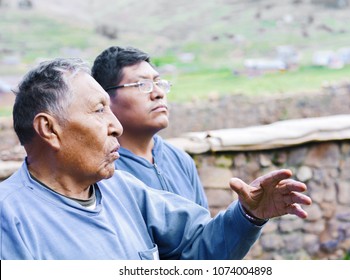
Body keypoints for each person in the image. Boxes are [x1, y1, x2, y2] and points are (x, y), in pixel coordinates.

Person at [0, 58, 312, 260]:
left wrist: (247, 216)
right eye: (98, 110)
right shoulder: (10, 218)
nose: (116, 126)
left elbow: (196, 247)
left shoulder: (124, 190)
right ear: (49, 129)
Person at [91, 46, 208, 208]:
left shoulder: (180, 160)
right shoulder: (102, 171)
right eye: (142, 85)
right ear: (106, 99)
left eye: (158, 83)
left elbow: (206, 231)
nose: (159, 93)